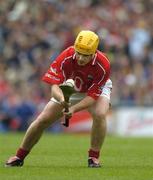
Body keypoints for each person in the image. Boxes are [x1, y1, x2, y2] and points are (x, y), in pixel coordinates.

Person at [5, 30, 112, 168]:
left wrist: (72, 109)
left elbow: (92, 97)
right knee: (42, 120)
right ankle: (19, 156)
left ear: (94, 53)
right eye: (78, 53)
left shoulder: (103, 65)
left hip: (93, 90)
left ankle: (93, 157)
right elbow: (54, 86)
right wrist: (62, 99)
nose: (80, 58)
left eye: (85, 55)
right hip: (69, 90)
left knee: (100, 113)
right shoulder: (66, 56)